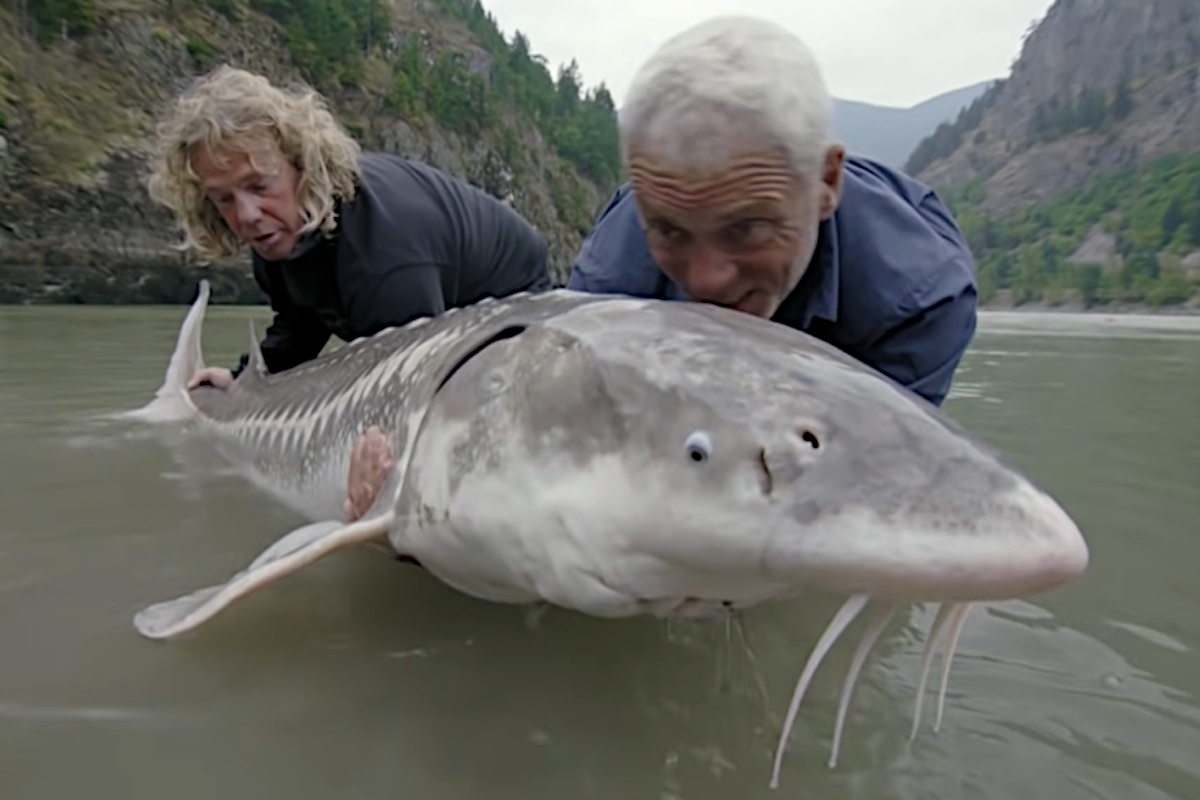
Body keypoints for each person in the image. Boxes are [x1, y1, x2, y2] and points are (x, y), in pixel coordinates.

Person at [146, 64, 553, 521]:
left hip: (516, 304)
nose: (246, 215)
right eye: (224, 198)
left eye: (259, 186)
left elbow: (408, 394)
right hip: (413, 299)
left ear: (303, 167)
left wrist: (378, 491)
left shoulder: (384, 257)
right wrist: (241, 384)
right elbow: (300, 322)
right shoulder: (277, 234)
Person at [567, 16, 978, 408]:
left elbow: (876, 462)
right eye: (669, 232)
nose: (706, 281)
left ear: (827, 182)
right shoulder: (609, 285)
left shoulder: (919, 299)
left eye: (745, 229)